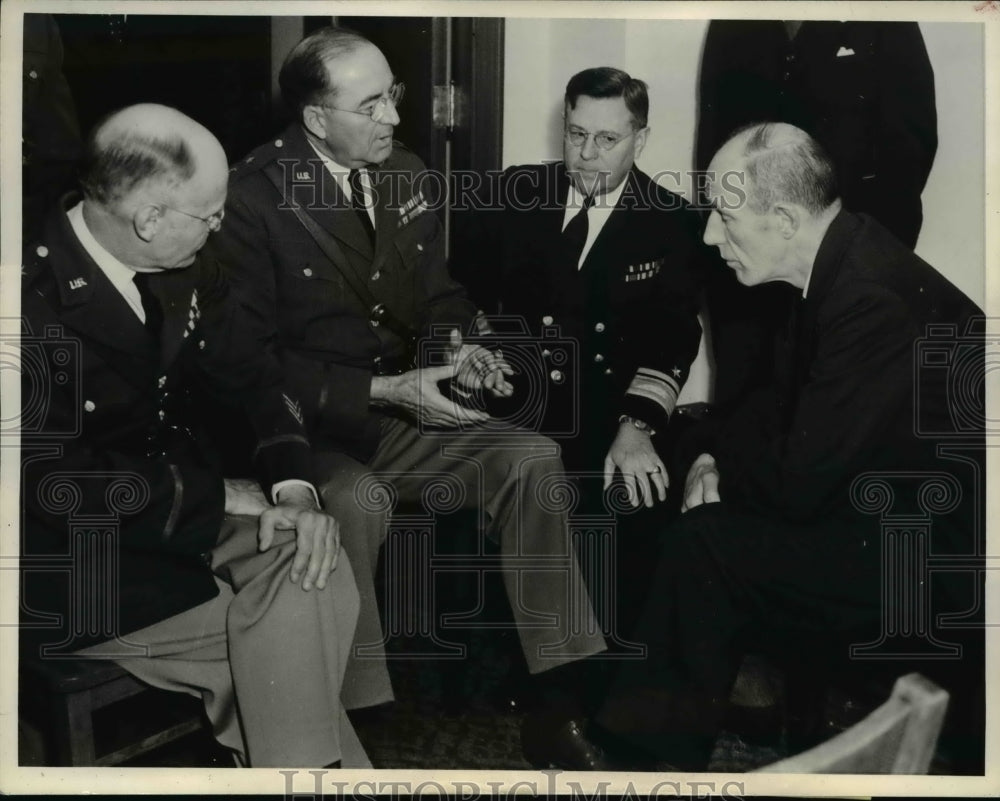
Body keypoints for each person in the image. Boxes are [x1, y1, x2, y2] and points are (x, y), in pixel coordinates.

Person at [534, 122, 984, 771]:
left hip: (932, 560)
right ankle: (713, 694)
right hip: (876, 508)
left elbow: (800, 478)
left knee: (707, 544)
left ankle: (638, 759)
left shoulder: (869, 301)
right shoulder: (836, 262)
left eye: (723, 213)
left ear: (781, 217)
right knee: (684, 448)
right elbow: (773, 404)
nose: (711, 235)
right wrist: (711, 457)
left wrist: (720, 469)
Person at [207, 26, 607, 720]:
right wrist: (382, 389)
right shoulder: (251, 199)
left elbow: (437, 295)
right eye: (371, 106)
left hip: (402, 412)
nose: (394, 116)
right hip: (306, 432)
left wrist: (462, 349)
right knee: (356, 502)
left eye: (391, 95)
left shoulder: (407, 173)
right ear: (316, 120)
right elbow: (246, 365)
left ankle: (563, 692)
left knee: (531, 456)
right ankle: (356, 714)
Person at [20, 104, 367, 768]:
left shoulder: (184, 260)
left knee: (314, 559)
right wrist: (221, 495)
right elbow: (55, 482)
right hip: (77, 557)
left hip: (184, 515)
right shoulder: (25, 300)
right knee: (290, 643)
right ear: (148, 220)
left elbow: (255, 376)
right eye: (209, 216)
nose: (218, 229)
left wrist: (291, 489)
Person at [450, 67, 706, 651]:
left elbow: (673, 340)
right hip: (512, 407)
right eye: (575, 134)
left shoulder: (672, 221)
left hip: (607, 418)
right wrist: (472, 349)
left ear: (640, 140)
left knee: (631, 503)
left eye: (607, 140)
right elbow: (458, 296)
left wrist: (637, 427)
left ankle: (601, 667)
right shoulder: (511, 195)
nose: (587, 155)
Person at [697, 20, 938, 408]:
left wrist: (853, 256)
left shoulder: (886, 20)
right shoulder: (731, 23)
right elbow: (713, 143)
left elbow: (908, 153)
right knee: (743, 411)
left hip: (842, 261)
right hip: (750, 268)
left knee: (840, 410)